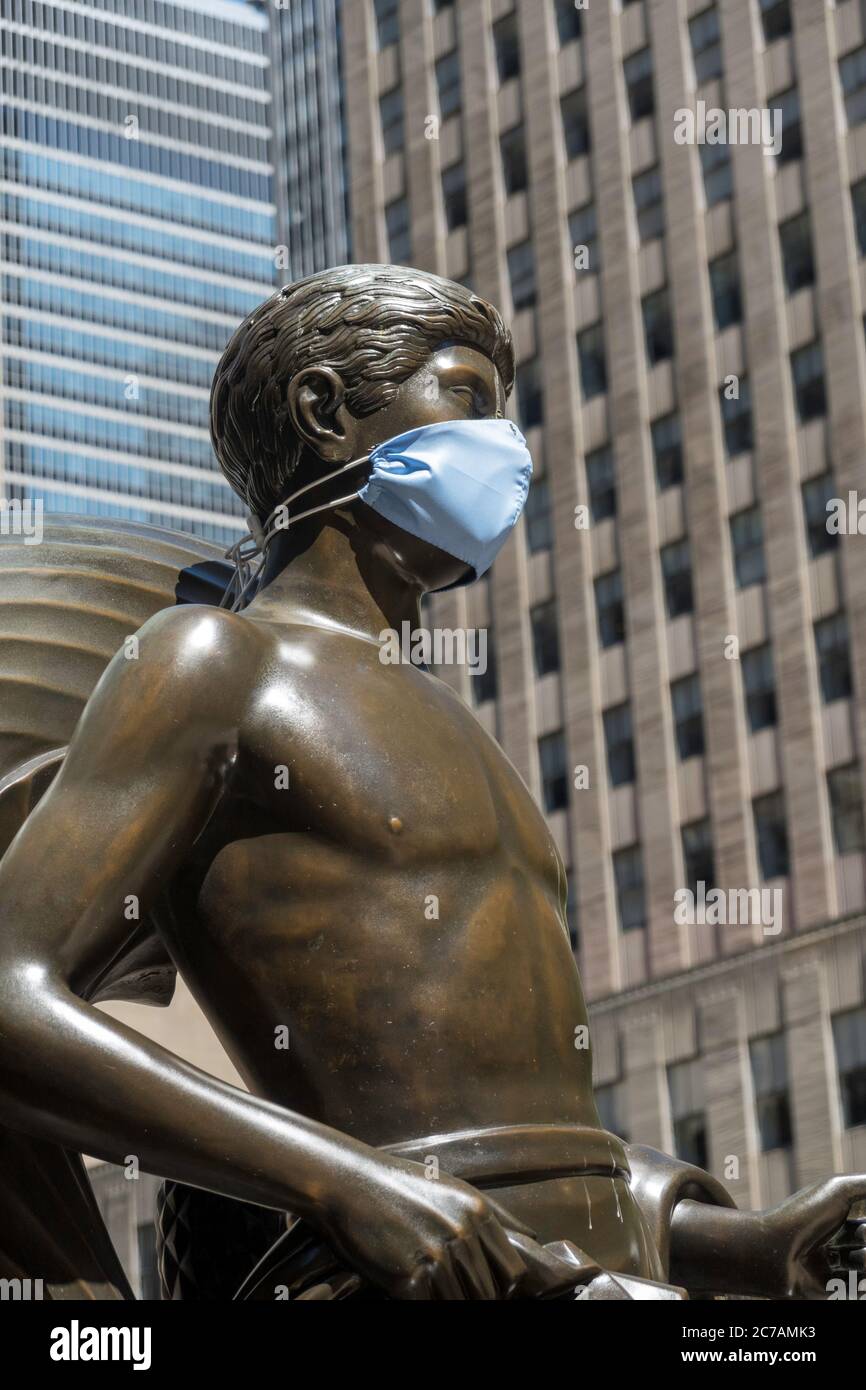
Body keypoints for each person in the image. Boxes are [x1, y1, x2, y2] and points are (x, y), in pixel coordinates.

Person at [0, 265, 862, 1300]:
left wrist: (743, 1245)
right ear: (323, 411)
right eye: (466, 399)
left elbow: (517, 1142)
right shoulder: (210, 664)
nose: (508, 452)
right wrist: (342, 1183)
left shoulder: (466, 736)